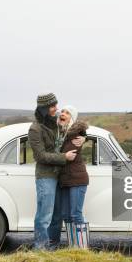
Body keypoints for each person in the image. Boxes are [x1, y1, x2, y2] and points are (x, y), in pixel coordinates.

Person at [28, 93, 84, 250]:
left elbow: (73, 128)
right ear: (45, 108)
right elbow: (40, 156)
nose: (57, 109)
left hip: (58, 176)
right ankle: (40, 248)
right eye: (53, 106)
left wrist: (84, 136)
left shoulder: (54, 123)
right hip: (45, 175)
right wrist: (63, 157)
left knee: (56, 215)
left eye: (56, 105)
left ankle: (52, 245)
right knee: (44, 214)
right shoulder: (35, 129)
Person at [56, 105, 89, 234]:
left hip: (77, 179)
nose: (63, 114)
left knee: (75, 214)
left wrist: (85, 137)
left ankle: (81, 246)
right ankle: (73, 245)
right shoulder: (60, 133)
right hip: (65, 180)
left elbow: (68, 154)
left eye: (67, 113)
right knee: (66, 215)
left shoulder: (76, 134)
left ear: (72, 118)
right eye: (62, 111)